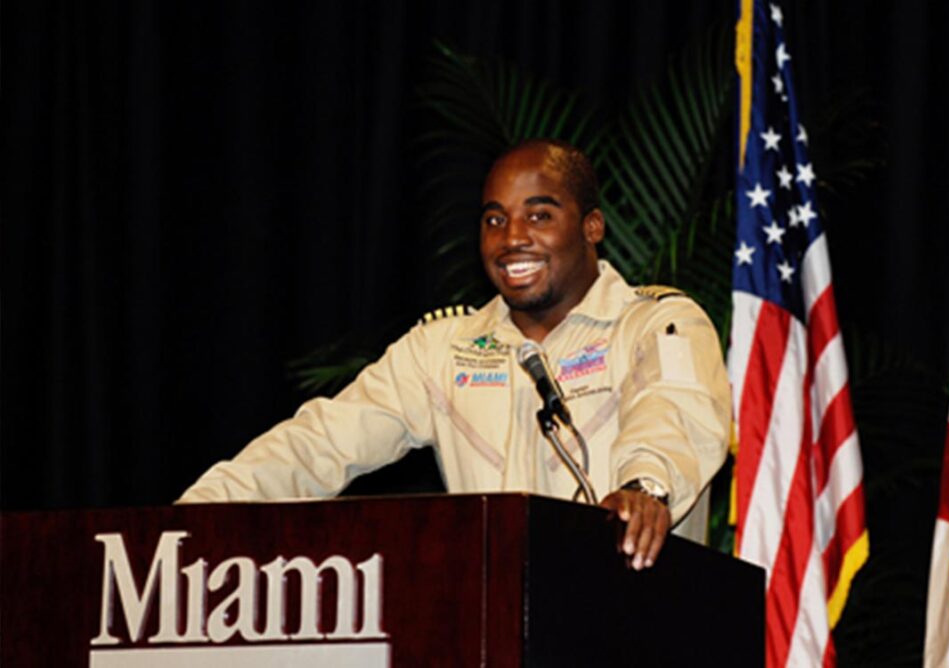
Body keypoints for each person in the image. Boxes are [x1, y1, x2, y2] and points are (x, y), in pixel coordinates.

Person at [180, 139, 731, 570]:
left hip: (635, 623)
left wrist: (644, 489)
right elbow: (319, 444)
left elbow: (673, 416)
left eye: (539, 215)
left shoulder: (658, 326)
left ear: (592, 228)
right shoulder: (443, 350)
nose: (512, 237)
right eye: (495, 219)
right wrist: (183, 524)